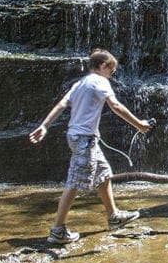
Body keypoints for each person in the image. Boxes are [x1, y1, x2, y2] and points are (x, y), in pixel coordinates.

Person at [29, 49, 153, 244]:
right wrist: (139, 124)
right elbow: (116, 106)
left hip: (81, 137)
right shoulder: (100, 81)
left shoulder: (80, 83)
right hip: (84, 139)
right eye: (112, 70)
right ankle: (57, 230)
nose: (113, 74)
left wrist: (45, 125)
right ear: (103, 66)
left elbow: (62, 104)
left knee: (104, 174)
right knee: (75, 182)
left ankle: (114, 216)